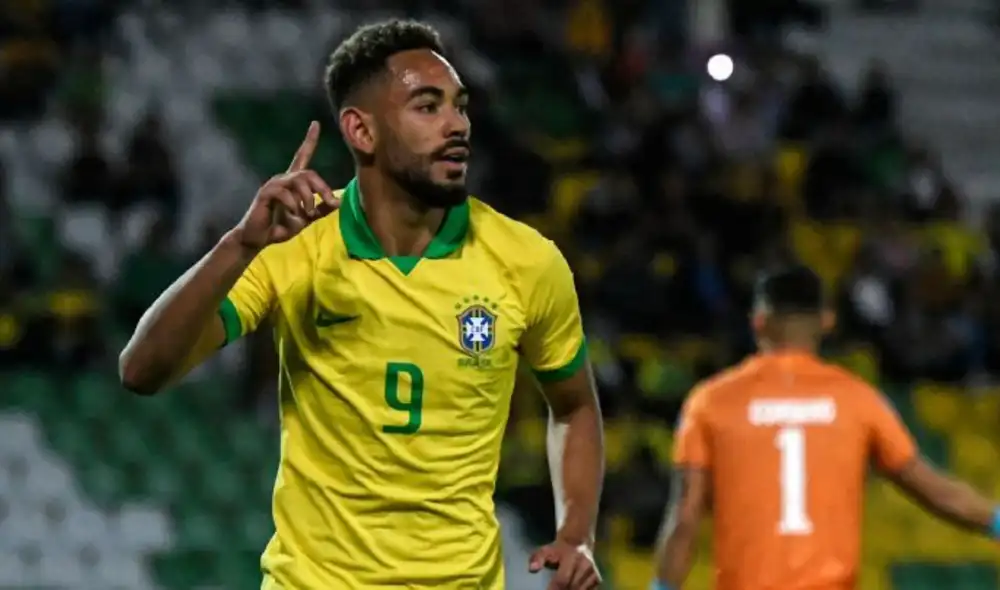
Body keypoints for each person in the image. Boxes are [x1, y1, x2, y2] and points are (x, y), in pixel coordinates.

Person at [118, 19, 604, 590]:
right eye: (428, 107)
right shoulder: (293, 245)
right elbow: (141, 371)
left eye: (460, 106)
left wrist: (575, 534)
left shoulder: (527, 261)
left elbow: (574, 406)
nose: (457, 125)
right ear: (361, 131)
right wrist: (239, 246)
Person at [650, 265, 1000, 590]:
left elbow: (685, 516)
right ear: (827, 321)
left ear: (758, 322)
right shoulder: (858, 399)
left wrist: (661, 587)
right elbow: (935, 490)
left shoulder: (710, 402)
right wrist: (996, 522)